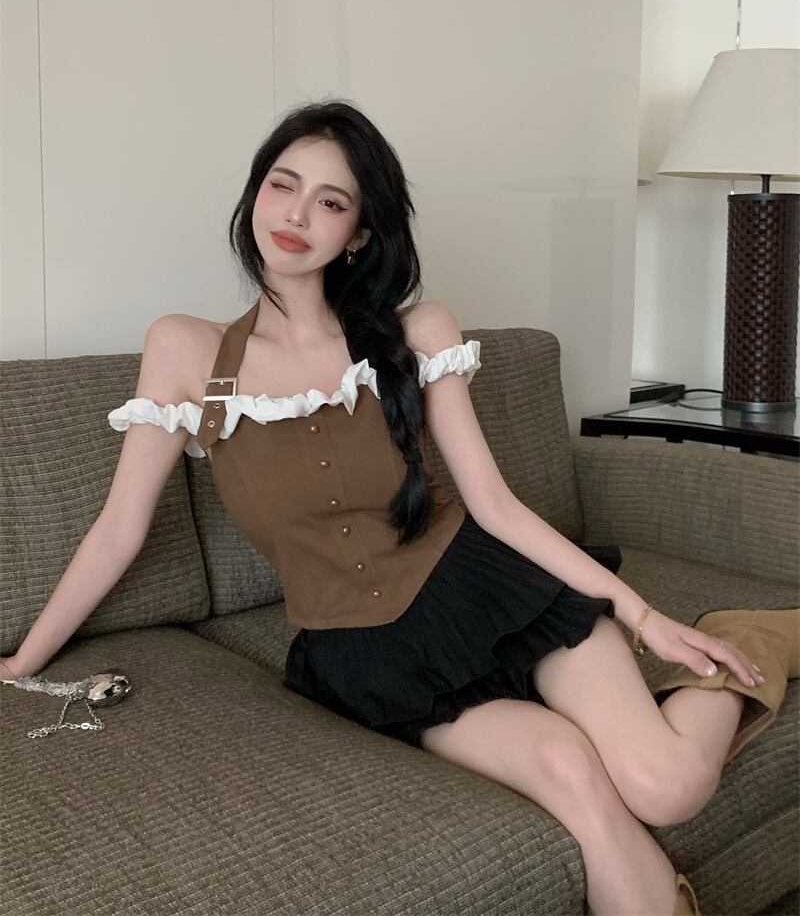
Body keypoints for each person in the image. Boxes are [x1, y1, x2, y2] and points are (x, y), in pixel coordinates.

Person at [2, 99, 796, 916]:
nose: (297, 215)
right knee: (568, 769)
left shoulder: (416, 332)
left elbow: (495, 504)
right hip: (369, 656)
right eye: (283, 185)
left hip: (488, 584)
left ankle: (747, 642)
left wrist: (642, 617)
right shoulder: (187, 351)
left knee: (665, 787)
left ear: (358, 233)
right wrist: (23, 662)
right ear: (255, 195)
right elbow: (119, 531)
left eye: (331, 201)